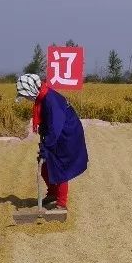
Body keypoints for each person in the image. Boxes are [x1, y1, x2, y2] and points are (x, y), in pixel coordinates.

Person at [15, 73, 88, 209]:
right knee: (45, 167)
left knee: (59, 168)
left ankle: (61, 204)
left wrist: (46, 146)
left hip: (67, 135)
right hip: (57, 134)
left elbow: (56, 126)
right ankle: (53, 193)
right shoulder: (43, 97)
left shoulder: (51, 101)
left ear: (31, 90)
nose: (25, 98)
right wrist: (44, 134)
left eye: (25, 95)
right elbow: (49, 123)